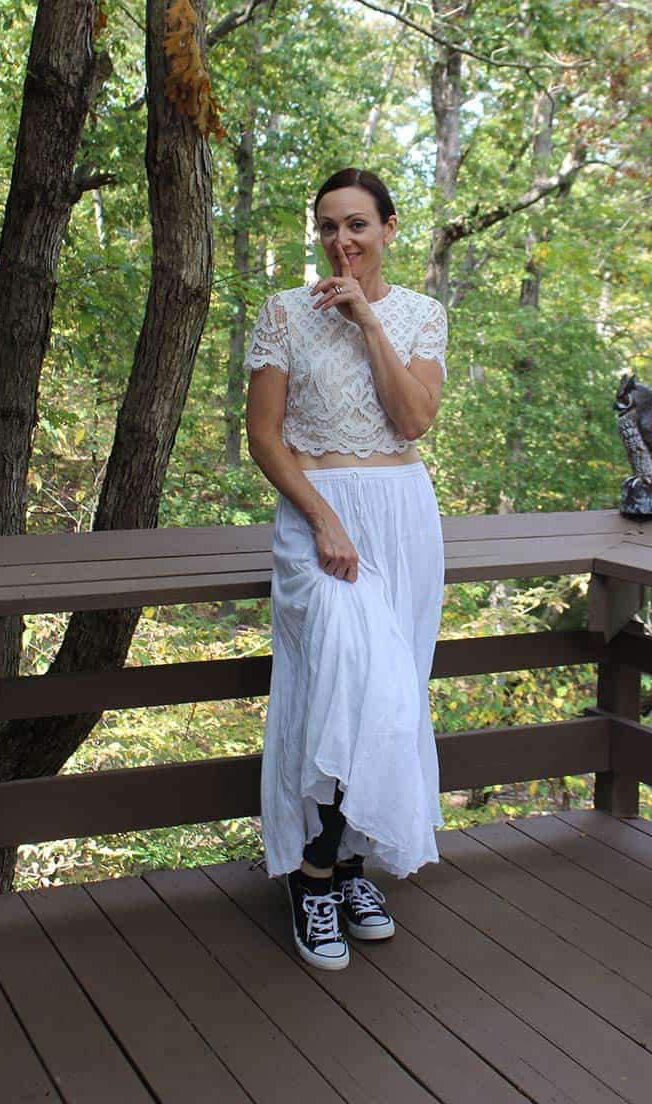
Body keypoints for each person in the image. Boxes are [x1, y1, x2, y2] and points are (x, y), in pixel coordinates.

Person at [244, 167, 447, 970]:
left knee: (391, 699)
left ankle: (353, 866)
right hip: (316, 516)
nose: (341, 241)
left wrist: (367, 318)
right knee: (339, 685)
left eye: (357, 225)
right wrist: (323, 518)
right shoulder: (284, 313)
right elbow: (265, 436)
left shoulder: (421, 316)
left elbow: (414, 420)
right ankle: (311, 876)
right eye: (328, 226)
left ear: (389, 229)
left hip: (402, 521)